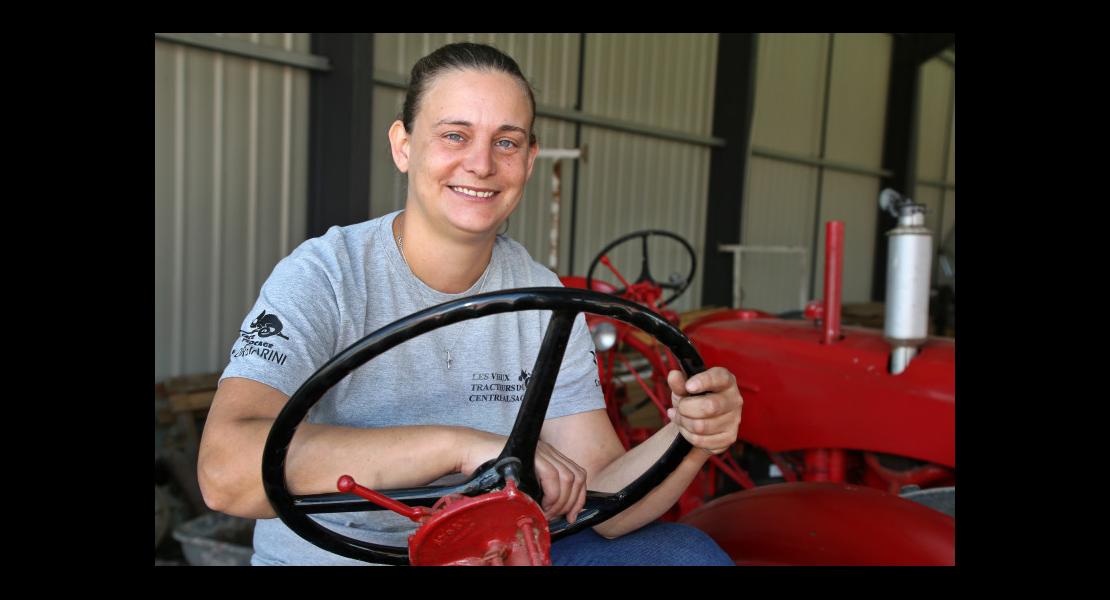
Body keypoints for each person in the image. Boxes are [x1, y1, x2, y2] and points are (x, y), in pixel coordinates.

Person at [197, 42, 742, 566]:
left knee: (685, 555)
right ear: (403, 145)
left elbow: (604, 502)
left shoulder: (542, 296)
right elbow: (225, 473)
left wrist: (690, 436)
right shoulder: (327, 275)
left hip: (498, 552)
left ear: (529, 160)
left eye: (506, 142)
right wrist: (460, 449)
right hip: (344, 558)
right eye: (455, 135)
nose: (481, 164)